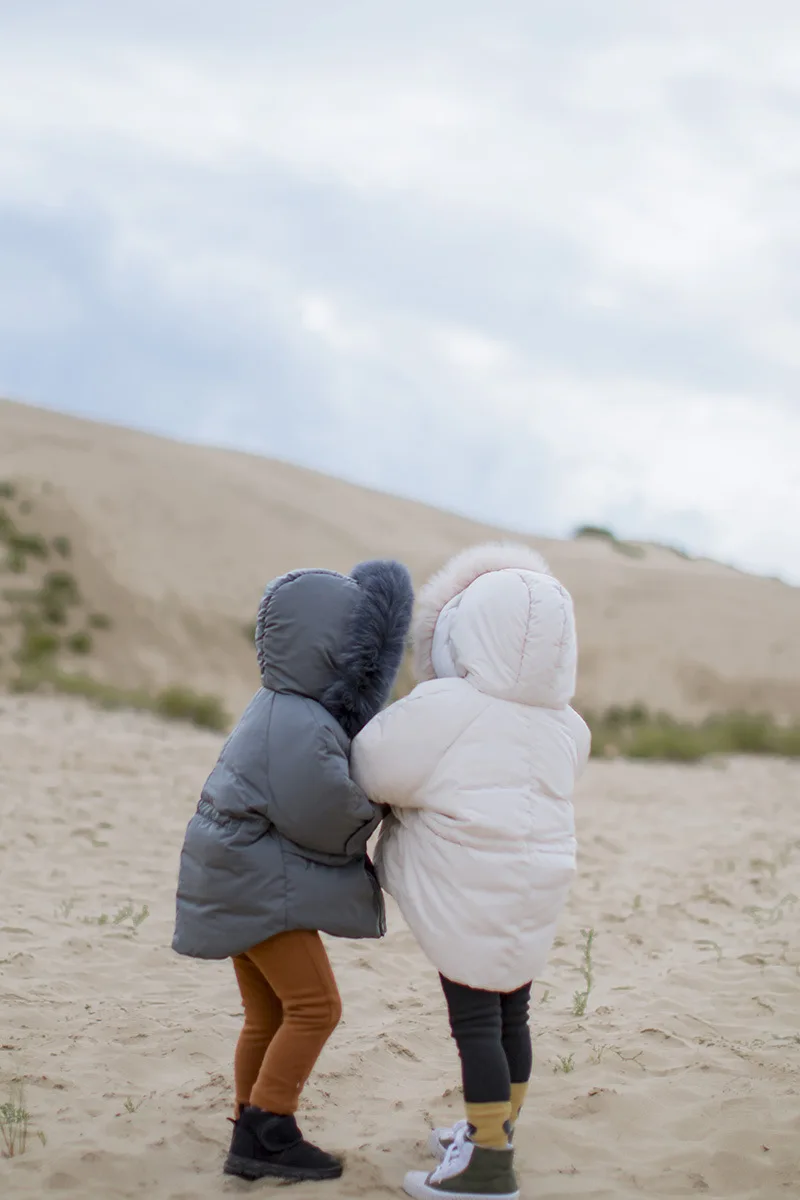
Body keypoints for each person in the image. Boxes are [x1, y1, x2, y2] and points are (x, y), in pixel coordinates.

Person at [352, 543, 591, 1200]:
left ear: (466, 630)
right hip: (536, 890)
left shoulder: (445, 708)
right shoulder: (567, 725)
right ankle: (498, 1128)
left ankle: (486, 1163)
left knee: (476, 1025)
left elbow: (374, 766)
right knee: (514, 1015)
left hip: (467, 893)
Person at [172, 559, 413, 1184]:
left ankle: (248, 1124)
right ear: (334, 649)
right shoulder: (299, 723)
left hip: (230, 878)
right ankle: (269, 1128)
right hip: (253, 888)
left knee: (269, 1014)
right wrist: (382, 803)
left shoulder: (276, 706)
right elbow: (325, 813)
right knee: (316, 1007)